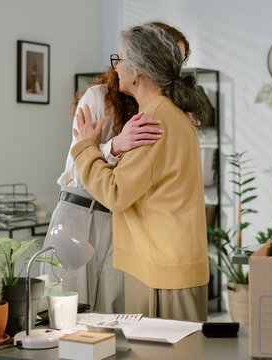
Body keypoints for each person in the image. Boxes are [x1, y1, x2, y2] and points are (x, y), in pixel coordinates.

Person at [41, 22, 192, 314]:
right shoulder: (98, 98)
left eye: (180, 62)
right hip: (79, 213)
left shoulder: (162, 110)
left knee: (115, 312)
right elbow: (75, 167)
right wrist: (115, 145)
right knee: (66, 308)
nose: (174, 70)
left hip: (123, 220)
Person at [71, 24, 212, 322]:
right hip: (171, 263)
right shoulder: (169, 115)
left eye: (121, 59)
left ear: (139, 71)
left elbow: (115, 192)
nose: (117, 67)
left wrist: (86, 147)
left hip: (162, 270)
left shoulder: (153, 121)